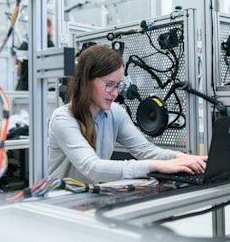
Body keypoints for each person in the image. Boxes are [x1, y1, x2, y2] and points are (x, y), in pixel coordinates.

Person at [48, 44, 207, 184]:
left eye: (118, 85)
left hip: (88, 198)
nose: (115, 93)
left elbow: (145, 150)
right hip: (61, 203)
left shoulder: (115, 112)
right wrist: (155, 165)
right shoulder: (63, 119)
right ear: (86, 81)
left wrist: (183, 158)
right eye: (109, 85)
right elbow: (93, 167)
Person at [15, 18, 54, 91]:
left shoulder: (26, 43)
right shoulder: (47, 43)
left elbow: (17, 66)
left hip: (21, 88)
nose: (52, 31)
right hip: (36, 88)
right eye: (52, 28)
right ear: (47, 28)